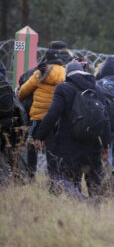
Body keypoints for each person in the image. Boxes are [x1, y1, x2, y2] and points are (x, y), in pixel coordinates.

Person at [34, 62, 111, 199]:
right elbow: (105, 119)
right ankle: (97, 208)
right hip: (92, 143)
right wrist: (106, 144)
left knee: (68, 179)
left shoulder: (63, 88)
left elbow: (52, 114)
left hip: (68, 143)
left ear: (67, 74)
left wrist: (39, 135)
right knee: (94, 182)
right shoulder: (97, 88)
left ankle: (80, 201)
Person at [17, 49, 65, 180]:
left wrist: (20, 102)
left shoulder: (40, 74)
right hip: (56, 118)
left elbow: (23, 91)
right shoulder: (64, 73)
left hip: (37, 118)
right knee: (51, 148)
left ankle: (31, 175)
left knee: (31, 144)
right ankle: (53, 178)